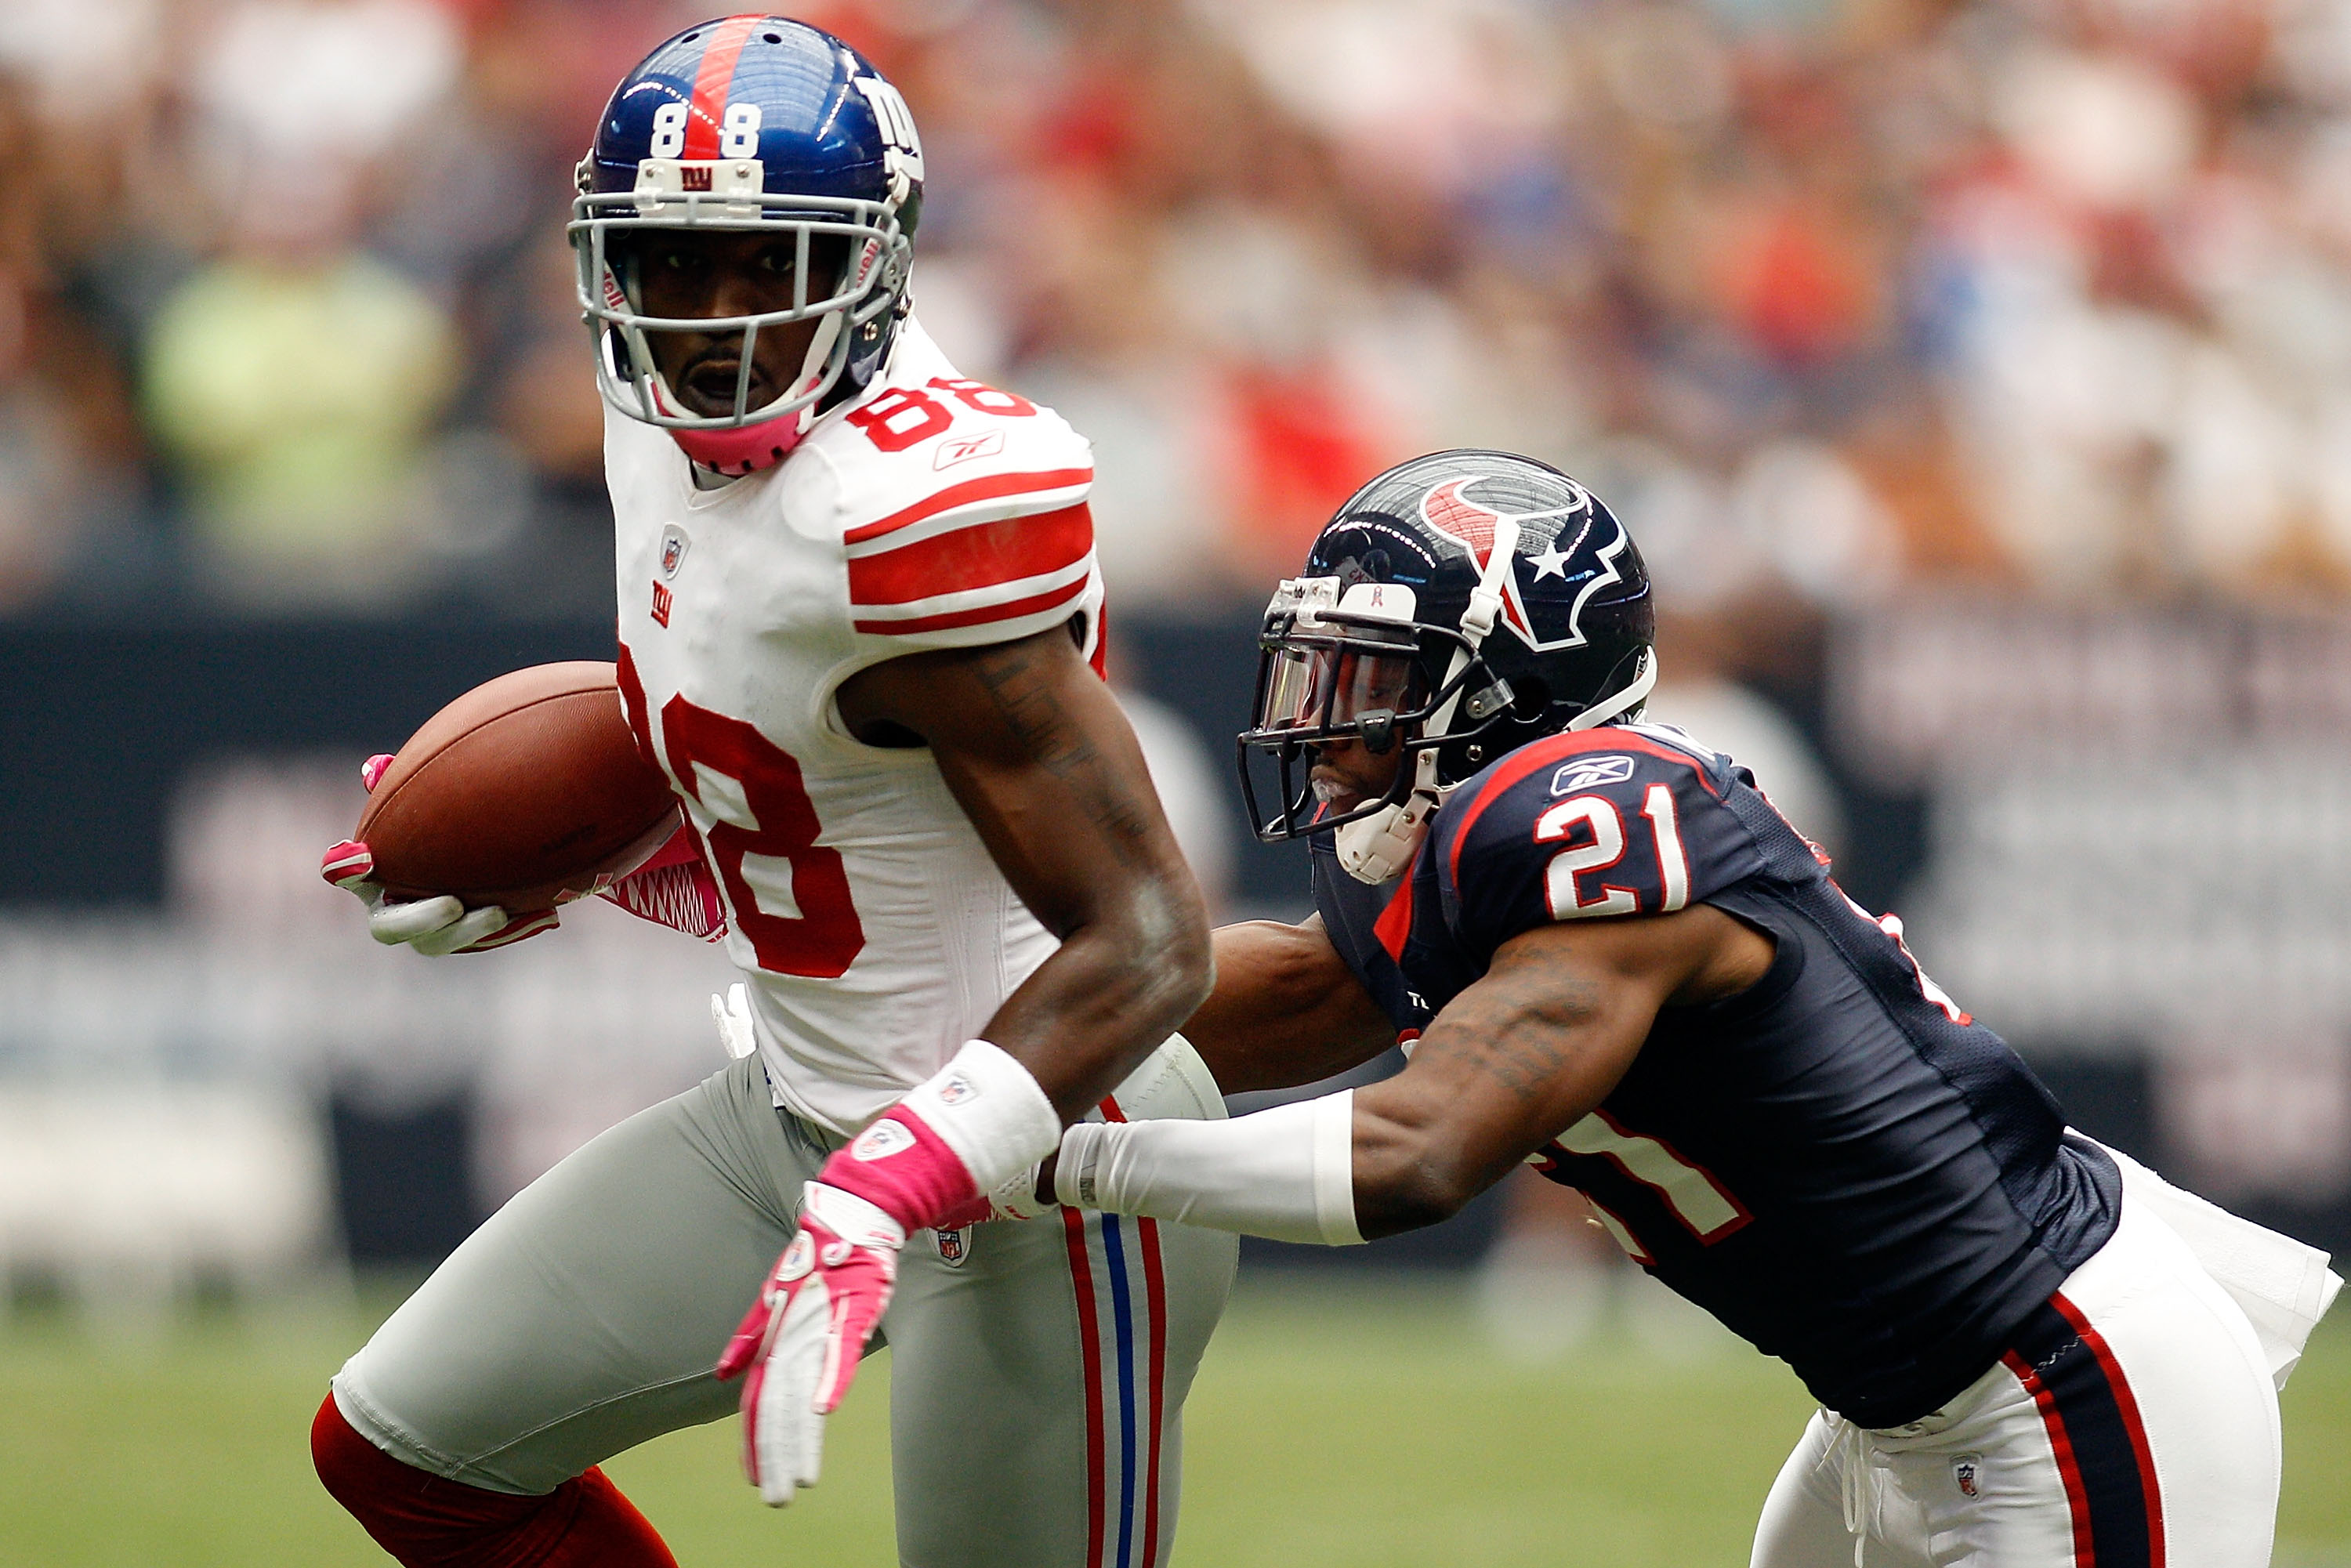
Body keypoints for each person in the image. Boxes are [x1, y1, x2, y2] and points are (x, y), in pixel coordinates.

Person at [1048, 448, 2340, 1567]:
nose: (1326, 728)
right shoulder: (1466, 850)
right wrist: (976, 1054)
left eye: (1376, 682)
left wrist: (1058, 1159)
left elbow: (1417, 1150)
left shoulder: (1598, 838)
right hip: (1891, 1407)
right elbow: (1308, 991)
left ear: (1512, 695)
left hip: (2055, 1379)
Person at [308, 19, 1237, 1568]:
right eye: (670, 263)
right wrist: (581, 862)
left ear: (875, 260)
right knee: (412, 1450)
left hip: (1052, 1149)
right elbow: (817, 816)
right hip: (799, 1108)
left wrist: (897, 1181)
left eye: (767, 260)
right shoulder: (644, 417)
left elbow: (1149, 935)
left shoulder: (906, 507)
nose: (716, 316)